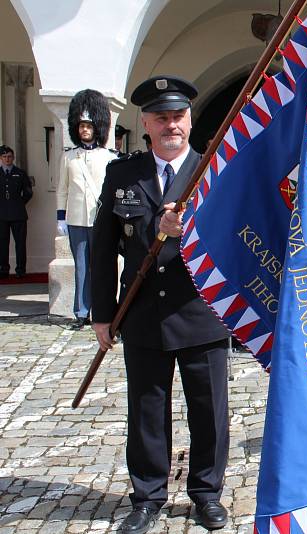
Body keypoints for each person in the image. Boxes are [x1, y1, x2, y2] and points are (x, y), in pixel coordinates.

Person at [91, 76, 231, 534]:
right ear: (145, 124)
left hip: (201, 313)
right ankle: (147, 496)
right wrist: (102, 313)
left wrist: (187, 231)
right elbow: (102, 246)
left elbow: (232, 243)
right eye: (161, 117)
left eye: (178, 116)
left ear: (189, 121)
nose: (172, 124)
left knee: (208, 410)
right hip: (143, 314)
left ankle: (206, 493)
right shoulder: (123, 175)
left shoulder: (213, 169)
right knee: (147, 411)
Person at [57, 89, 118, 330]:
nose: (84, 130)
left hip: (100, 219)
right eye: (81, 125)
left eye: (89, 125)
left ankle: (103, 309)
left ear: (97, 128)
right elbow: (62, 189)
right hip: (76, 219)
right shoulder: (68, 158)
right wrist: (61, 217)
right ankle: (81, 312)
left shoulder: (108, 157)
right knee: (81, 266)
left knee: (101, 266)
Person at [0, 145, 33, 279]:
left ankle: (21, 270)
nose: (7, 159)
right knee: (2, 243)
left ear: (13, 158)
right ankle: (3, 269)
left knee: (20, 243)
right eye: (4, 157)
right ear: (1, 158)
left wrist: (19, 203)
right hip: (1, 215)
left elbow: (28, 192)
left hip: (18, 214)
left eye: (9, 157)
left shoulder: (20, 173)